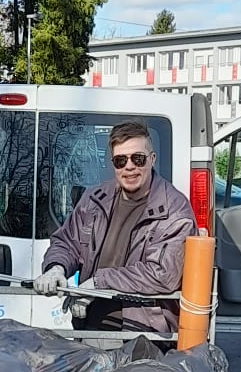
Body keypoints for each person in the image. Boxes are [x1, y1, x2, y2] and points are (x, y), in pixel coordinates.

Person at [33, 118, 196, 335]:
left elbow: (163, 274)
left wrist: (99, 283)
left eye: (138, 159)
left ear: (152, 159)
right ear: (112, 164)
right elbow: (67, 242)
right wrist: (56, 268)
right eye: (121, 160)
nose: (129, 167)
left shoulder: (175, 209)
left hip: (143, 335)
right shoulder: (94, 199)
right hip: (90, 327)